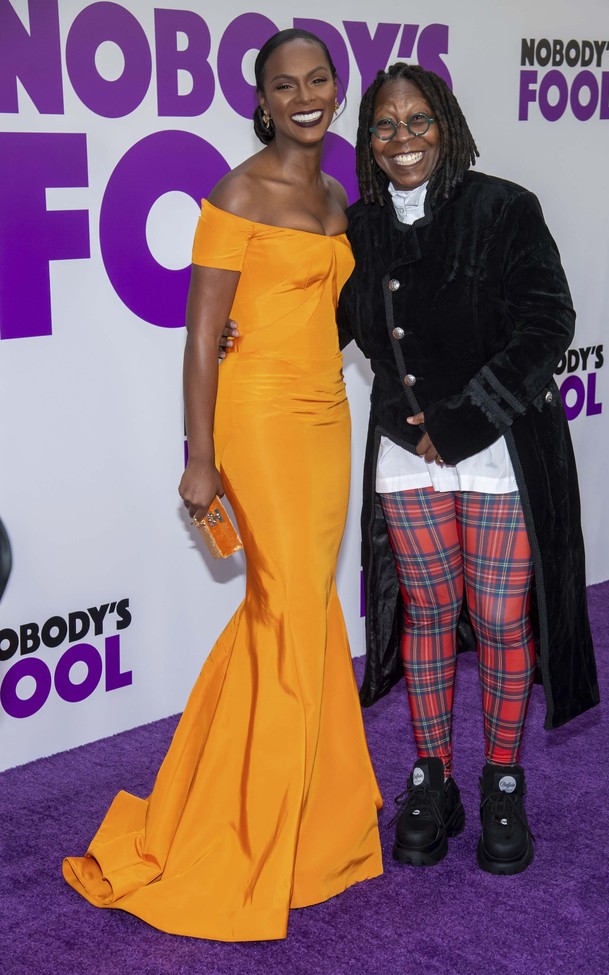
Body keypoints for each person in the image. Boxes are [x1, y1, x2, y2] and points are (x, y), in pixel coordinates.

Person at [62, 29, 382, 941]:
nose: (306, 96)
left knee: (304, 609)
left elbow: (338, 310)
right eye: (286, 85)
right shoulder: (235, 193)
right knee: (286, 612)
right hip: (258, 423)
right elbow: (203, 336)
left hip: (327, 416)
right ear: (263, 99)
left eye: (319, 79)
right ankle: (244, 842)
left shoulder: (336, 194)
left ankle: (314, 833)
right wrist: (199, 455)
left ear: (335, 87)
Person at [334, 62, 600, 875]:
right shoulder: (360, 225)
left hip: (496, 445)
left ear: (445, 123)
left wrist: (458, 423)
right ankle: (432, 778)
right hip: (404, 460)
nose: (402, 139)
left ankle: (502, 779)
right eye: (384, 125)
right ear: (367, 139)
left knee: (496, 618)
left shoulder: (504, 207)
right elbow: (326, 323)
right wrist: (248, 340)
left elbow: (549, 320)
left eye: (418, 121)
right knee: (426, 616)